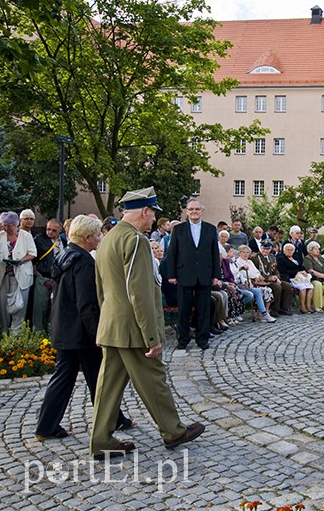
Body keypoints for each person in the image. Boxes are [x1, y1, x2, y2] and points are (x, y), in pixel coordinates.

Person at [90, 187, 205, 460]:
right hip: (133, 329)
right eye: (153, 212)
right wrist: (151, 336)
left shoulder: (108, 239)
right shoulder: (136, 241)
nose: (154, 219)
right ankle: (173, 431)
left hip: (113, 325)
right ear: (144, 211)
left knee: (108, 387)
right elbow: (139, 292)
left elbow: (101, 288)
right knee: (153, 378)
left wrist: (104, 322)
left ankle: (100, 440)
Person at [35, 215, 133, 441]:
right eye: (98, 234)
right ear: (88, 237)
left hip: (64, 327)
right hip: (81, 332)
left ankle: (46, 426)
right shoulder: (84, 262)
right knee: (100, 379)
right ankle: (115, 420)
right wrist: (97, 332)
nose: (100, 238)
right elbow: (86, 303)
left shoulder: (64, 256)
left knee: (65, 378)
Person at [166, 198, 221, 351]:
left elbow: (214, 253)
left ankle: (202, 339)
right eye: (191, 209)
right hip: (184, 274)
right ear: (186, 212)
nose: (194, 212)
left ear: (202, 211)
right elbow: (172, 253)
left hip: (205, 274)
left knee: (204, 309)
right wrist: (172, 274)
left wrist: (216, 274)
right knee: (184, 309)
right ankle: (183, 340)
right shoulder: (179, 229)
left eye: (197, 209)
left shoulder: (210, 229)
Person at [0, 211, 37, 333]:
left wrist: (20, 260)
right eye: (4, 225)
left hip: (21, 274)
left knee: (19, 304)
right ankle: (4, 329)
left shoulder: (25, 236)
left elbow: (32, 253)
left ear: (15, 224)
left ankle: (16, 331)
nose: (6, 228)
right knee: (3, 303)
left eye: (9, 225)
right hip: (2, 274)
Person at [31, 219, 66, 331]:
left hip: (58, 278)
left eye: (54, 230)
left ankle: (52, 331)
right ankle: (38, 332)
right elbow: (33, 258)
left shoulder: (63, 242)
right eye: (48, 229)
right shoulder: (39, 240)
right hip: (43, 276)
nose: (50, 232)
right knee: (40, 306)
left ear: (60, 230)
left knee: (55, 306)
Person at [277, 242, 314, 314]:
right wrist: (297, 272)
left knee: (311, 287)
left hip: (301, 277)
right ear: (284, 251)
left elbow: (301, 267)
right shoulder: (281, 259)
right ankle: (302, 306)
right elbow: (283, 271)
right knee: (302, 288)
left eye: (291, 250)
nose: (290, 251)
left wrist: (304, 271)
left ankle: (308, 306)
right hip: (291, 278)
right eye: (287, 250)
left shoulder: (296, 258)